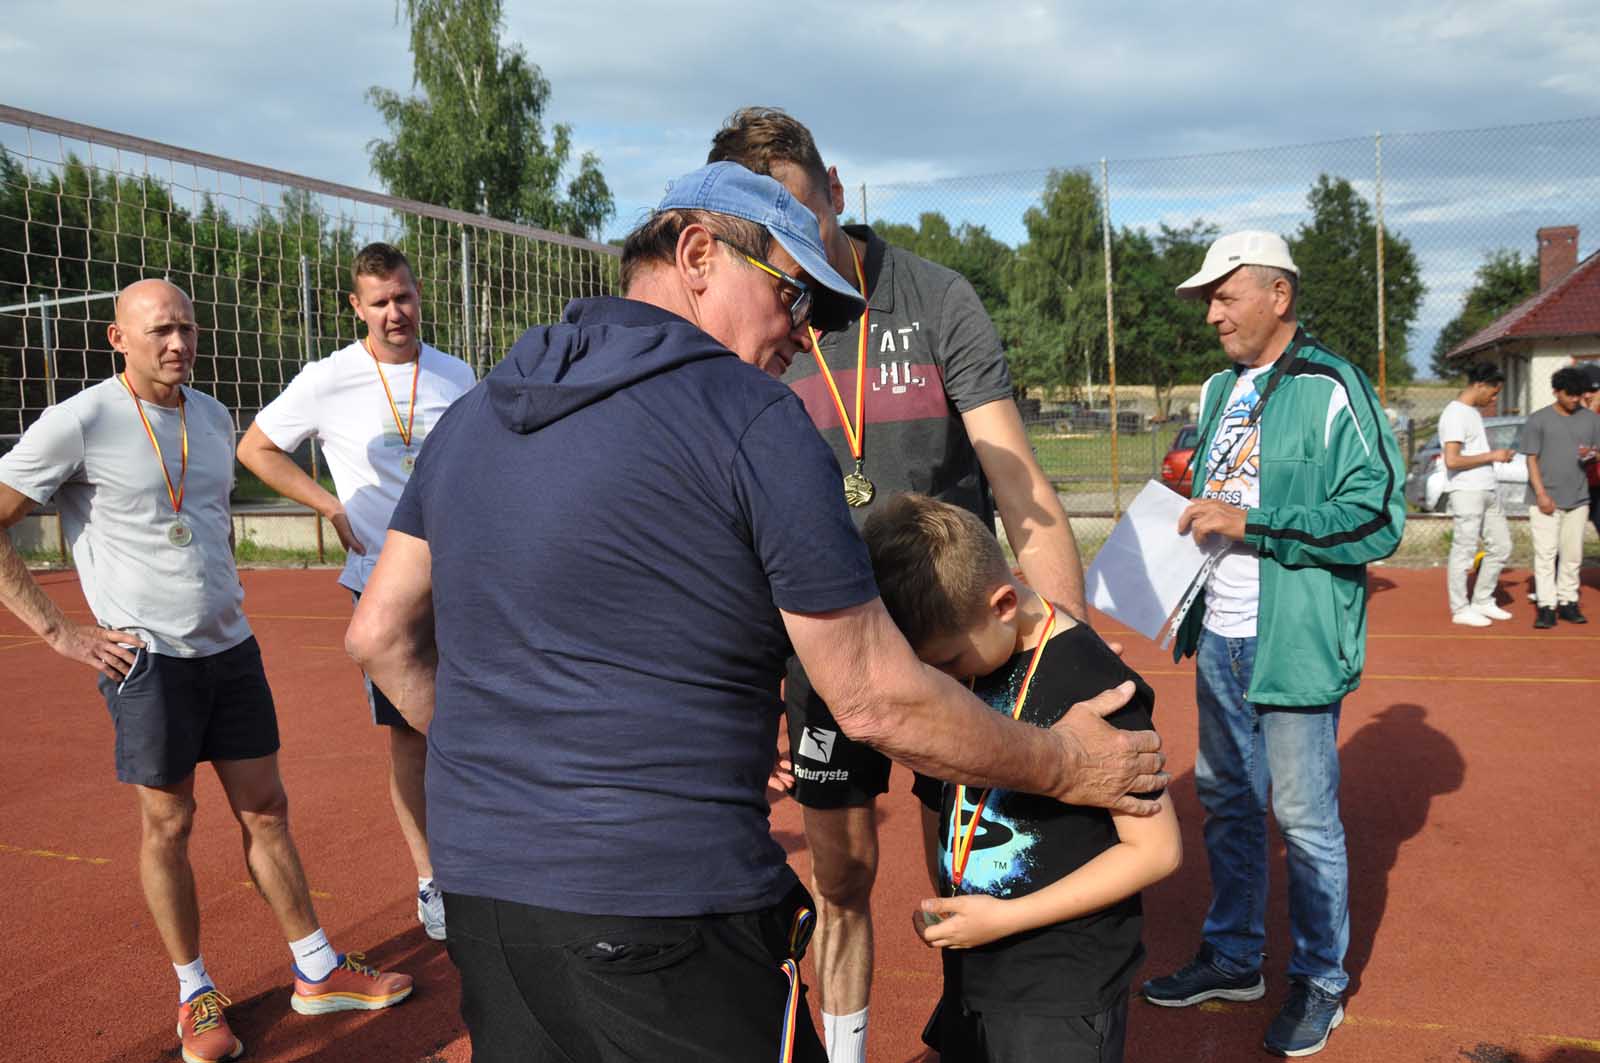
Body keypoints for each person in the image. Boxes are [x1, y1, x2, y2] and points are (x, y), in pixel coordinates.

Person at [344, 162, 1167, 1063]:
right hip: (670, 912)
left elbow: (379, 635)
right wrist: (1066, 762)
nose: (806, 331)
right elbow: (876, 698)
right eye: (792, 293)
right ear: (698, 255)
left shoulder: (476, 412)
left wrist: (513, 769)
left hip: (488, 900)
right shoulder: (752, 417)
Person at [708, 107, 1089, 1063]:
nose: (792, 245)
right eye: (764, 228)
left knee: (968, 871)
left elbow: (1019, 486)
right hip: (824, 645)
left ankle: (978, 1032)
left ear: (836, 189)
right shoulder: (758, 319)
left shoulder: (935, 297)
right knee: (840, 882)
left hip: (946, 642)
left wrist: (1067, 659)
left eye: (803, 212)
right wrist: (756, 688)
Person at [0, 280, 411, 1063]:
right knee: (170, 823)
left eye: (186, 328)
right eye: (160, 330)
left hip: (231, 649)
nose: (178, 343)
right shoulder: (80, 421)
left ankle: (316, 968)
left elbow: (207, 519)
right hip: (147, 661)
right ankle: (194, 991)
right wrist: (60, 631)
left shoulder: (214, 417)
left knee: (267, 808)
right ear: (118, 339)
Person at [1139, 231, 1405, 1058]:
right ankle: (1234, 957)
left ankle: (1321, 979)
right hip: (1220, 632)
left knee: (1304, 817)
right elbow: (1219, 494)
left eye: (1225, 296)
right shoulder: (1219, 388)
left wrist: (1252, 521)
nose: (1211, 314)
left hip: (1294, 639)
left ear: (1278, 294)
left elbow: (1377, 515)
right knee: (1226, 802)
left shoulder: (1333, 385)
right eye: (1209, 301)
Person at [862, 492, 1181, 1063]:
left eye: (949, 661)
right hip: (976, 965)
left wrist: (1006, 917)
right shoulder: (969, 656)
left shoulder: (1097, 685)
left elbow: (1156, 851)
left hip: (1060, 987)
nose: (940, 677)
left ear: (1005, 603)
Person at [237, 241, 475, 940]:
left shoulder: (456, 374)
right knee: (410, 738)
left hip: (462, 576)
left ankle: (488, 859)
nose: (395, 312)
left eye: (404, 296)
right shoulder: (328, 378)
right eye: (380, 302)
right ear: (356, 306)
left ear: (418, 293)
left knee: (480, 719)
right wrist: (326, 505)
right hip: (384, 587)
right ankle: (432, 879)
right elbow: (255, 447)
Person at [1521, 366, 1600, 628]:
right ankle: (1546, 606)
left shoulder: (1591, 419)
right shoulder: (1538, 420)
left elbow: (1598, 452)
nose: (1576, 399)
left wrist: (1592, 454)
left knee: (1573, 554)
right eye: (1570, 394)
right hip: (1545, 500)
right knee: (1546, 554)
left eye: (1579, 394)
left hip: (1578, 498)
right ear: (1556, 392)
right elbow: (1531, 460)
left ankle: (1568, 601)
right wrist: (1541, 494)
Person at [1437, 363, 1515, 626]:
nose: (1494, 399)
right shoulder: (1455, 414)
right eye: (1493, 393)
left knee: (1501, 546)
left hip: (1487, 488)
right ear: (1480, 385)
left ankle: (1482, 600)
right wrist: (1493, 455)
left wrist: (1493, 459)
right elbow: (1452, 460)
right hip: (1466, 491)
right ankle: (1460, 608)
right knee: (1464, 549)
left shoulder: (1471, 413)